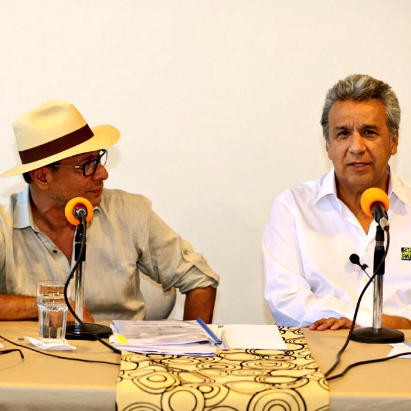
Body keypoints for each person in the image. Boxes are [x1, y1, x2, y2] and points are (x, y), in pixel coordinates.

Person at [0, 99, 219, 323]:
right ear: (42, 177)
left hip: (117, 345)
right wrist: (49, 304)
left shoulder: (131, 212)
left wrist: (193, 342)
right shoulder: (3, 225)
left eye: (98, 159)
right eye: (86, 165)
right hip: (33, 347)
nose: (103, 173)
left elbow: (200, 280)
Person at [263, 74, 411, 331]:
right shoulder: (293, 207)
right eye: (343, 134)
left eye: (369, 132)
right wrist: (375, 322)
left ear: (393, 142)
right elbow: (285, 302)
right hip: (322, 349)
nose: (356, 147)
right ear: (328, 147)